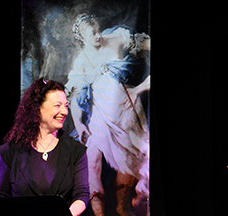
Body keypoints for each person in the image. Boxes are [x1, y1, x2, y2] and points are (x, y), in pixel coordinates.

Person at [66, 13, 150, 216]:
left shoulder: (113, 38)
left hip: (127, 108)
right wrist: (79, 124)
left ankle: (139, 199)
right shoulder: (82, 62)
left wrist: (137, 88)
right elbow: (74, 97)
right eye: (91, 34)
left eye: (97, 30)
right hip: (101, 114)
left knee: (141, 157)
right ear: (83, 38)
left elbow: (146, 44)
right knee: (93, 164)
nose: (97, 36)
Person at [0, 78, 89, 216]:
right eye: (58, 105)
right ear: (37, 107)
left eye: (66, 106)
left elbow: (82, 195)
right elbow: (0, 198)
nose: (64, 112)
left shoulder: (76, 151)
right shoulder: (9, 152)